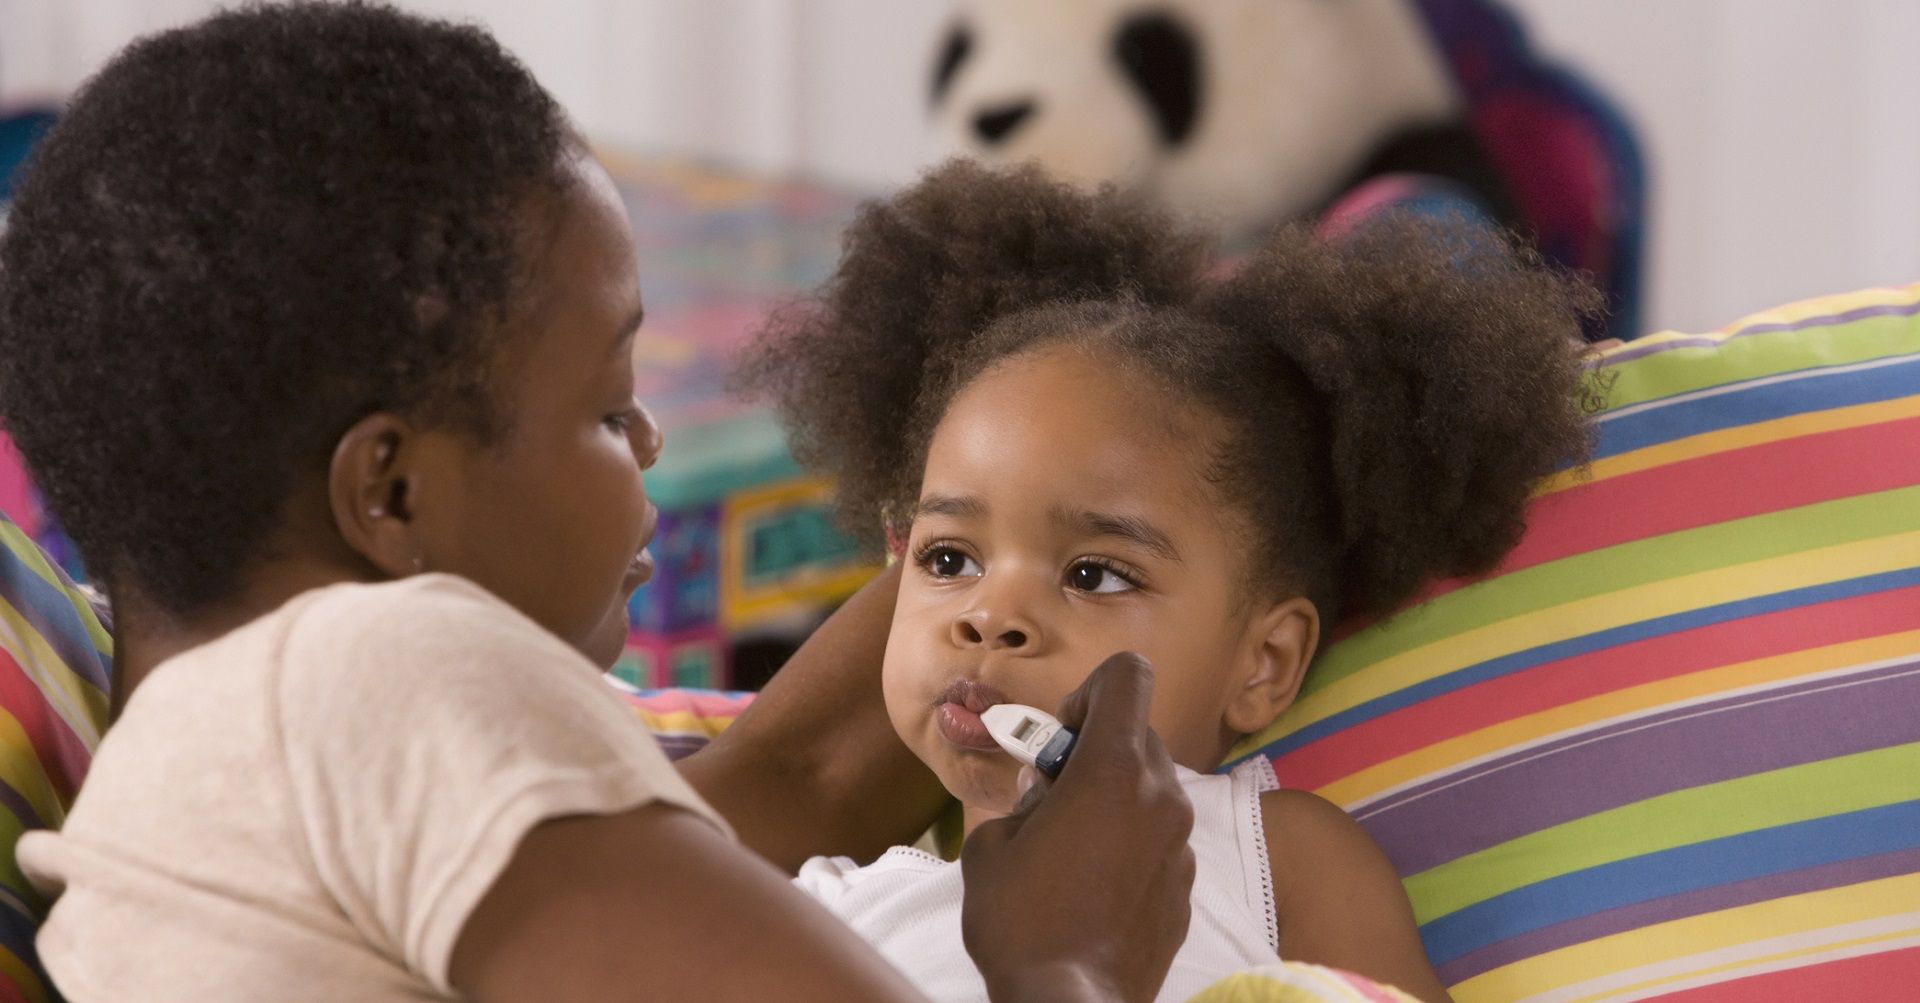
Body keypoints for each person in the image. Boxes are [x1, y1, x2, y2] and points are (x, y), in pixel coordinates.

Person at [0, 5, 1201, 1001]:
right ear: (392, 490)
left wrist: (1024, 529)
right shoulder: (363, 673)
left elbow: (785, 791)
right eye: (606, 401)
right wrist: (1073, 952)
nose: (649, 434)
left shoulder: (194, 802)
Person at [741, 162, 1599, 1003]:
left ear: (1263, 662)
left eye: (1093, 574)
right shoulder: (830, 905)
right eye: (948, 559)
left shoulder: (1271, 853)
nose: (989, 616)